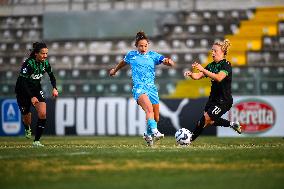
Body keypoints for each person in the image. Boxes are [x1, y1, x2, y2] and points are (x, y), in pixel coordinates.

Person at [109, 31, 175, 146]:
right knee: (148, 108)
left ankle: (148, 134)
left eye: (145, 45)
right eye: (141, 46)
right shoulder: (131, 55)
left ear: (148, 45)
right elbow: (122, 63)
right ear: (136, 46)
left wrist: (169, 62)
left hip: (152, 89)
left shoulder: (153, 56)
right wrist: (115, 70)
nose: (143, 48)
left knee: (156, 117)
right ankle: (154, 131)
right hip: (139, 88)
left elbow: (167, 61)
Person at [184, 39, 241, 142]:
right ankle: (232, 124)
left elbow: (219, 78)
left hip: (224, 100)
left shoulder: (226, 65)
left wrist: (203, 69)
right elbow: (198, 76)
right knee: (210, 121)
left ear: (222, 52)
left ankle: (189, 140)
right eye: (212, 50)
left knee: (205, 119)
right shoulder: (211, 65)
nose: (212, 53)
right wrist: (192, 74)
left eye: (215, 51)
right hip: (213, 99)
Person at [15, 42, 58, 147]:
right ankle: (27, 128)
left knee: (43, 113)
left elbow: (52, 76)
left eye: (46, 53)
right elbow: (23, 83)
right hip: (22, 90)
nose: (45, 56)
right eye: (43, 53)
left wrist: (55, 88)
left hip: (36, 89)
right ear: (36, 54)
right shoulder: (28, 63)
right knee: (27, 117)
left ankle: (36, 141)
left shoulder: (46, 63)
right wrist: (31, 97)